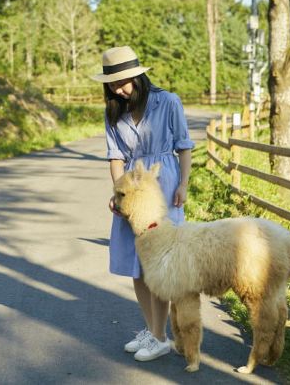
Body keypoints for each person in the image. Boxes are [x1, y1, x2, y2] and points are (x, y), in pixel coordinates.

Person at [92, 46, 194, 362]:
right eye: (113, 83)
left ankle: (161, 337)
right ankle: (152, 330)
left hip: (162, 186)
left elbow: (184, 146)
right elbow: (115, 157)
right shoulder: (113, 111)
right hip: (131, 193)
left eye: (125, 81)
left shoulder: (169, 101)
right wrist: (116, 192)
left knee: (159, 266)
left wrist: (183, 184)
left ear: (139, 76)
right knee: (137, 267)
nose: (119, 89)